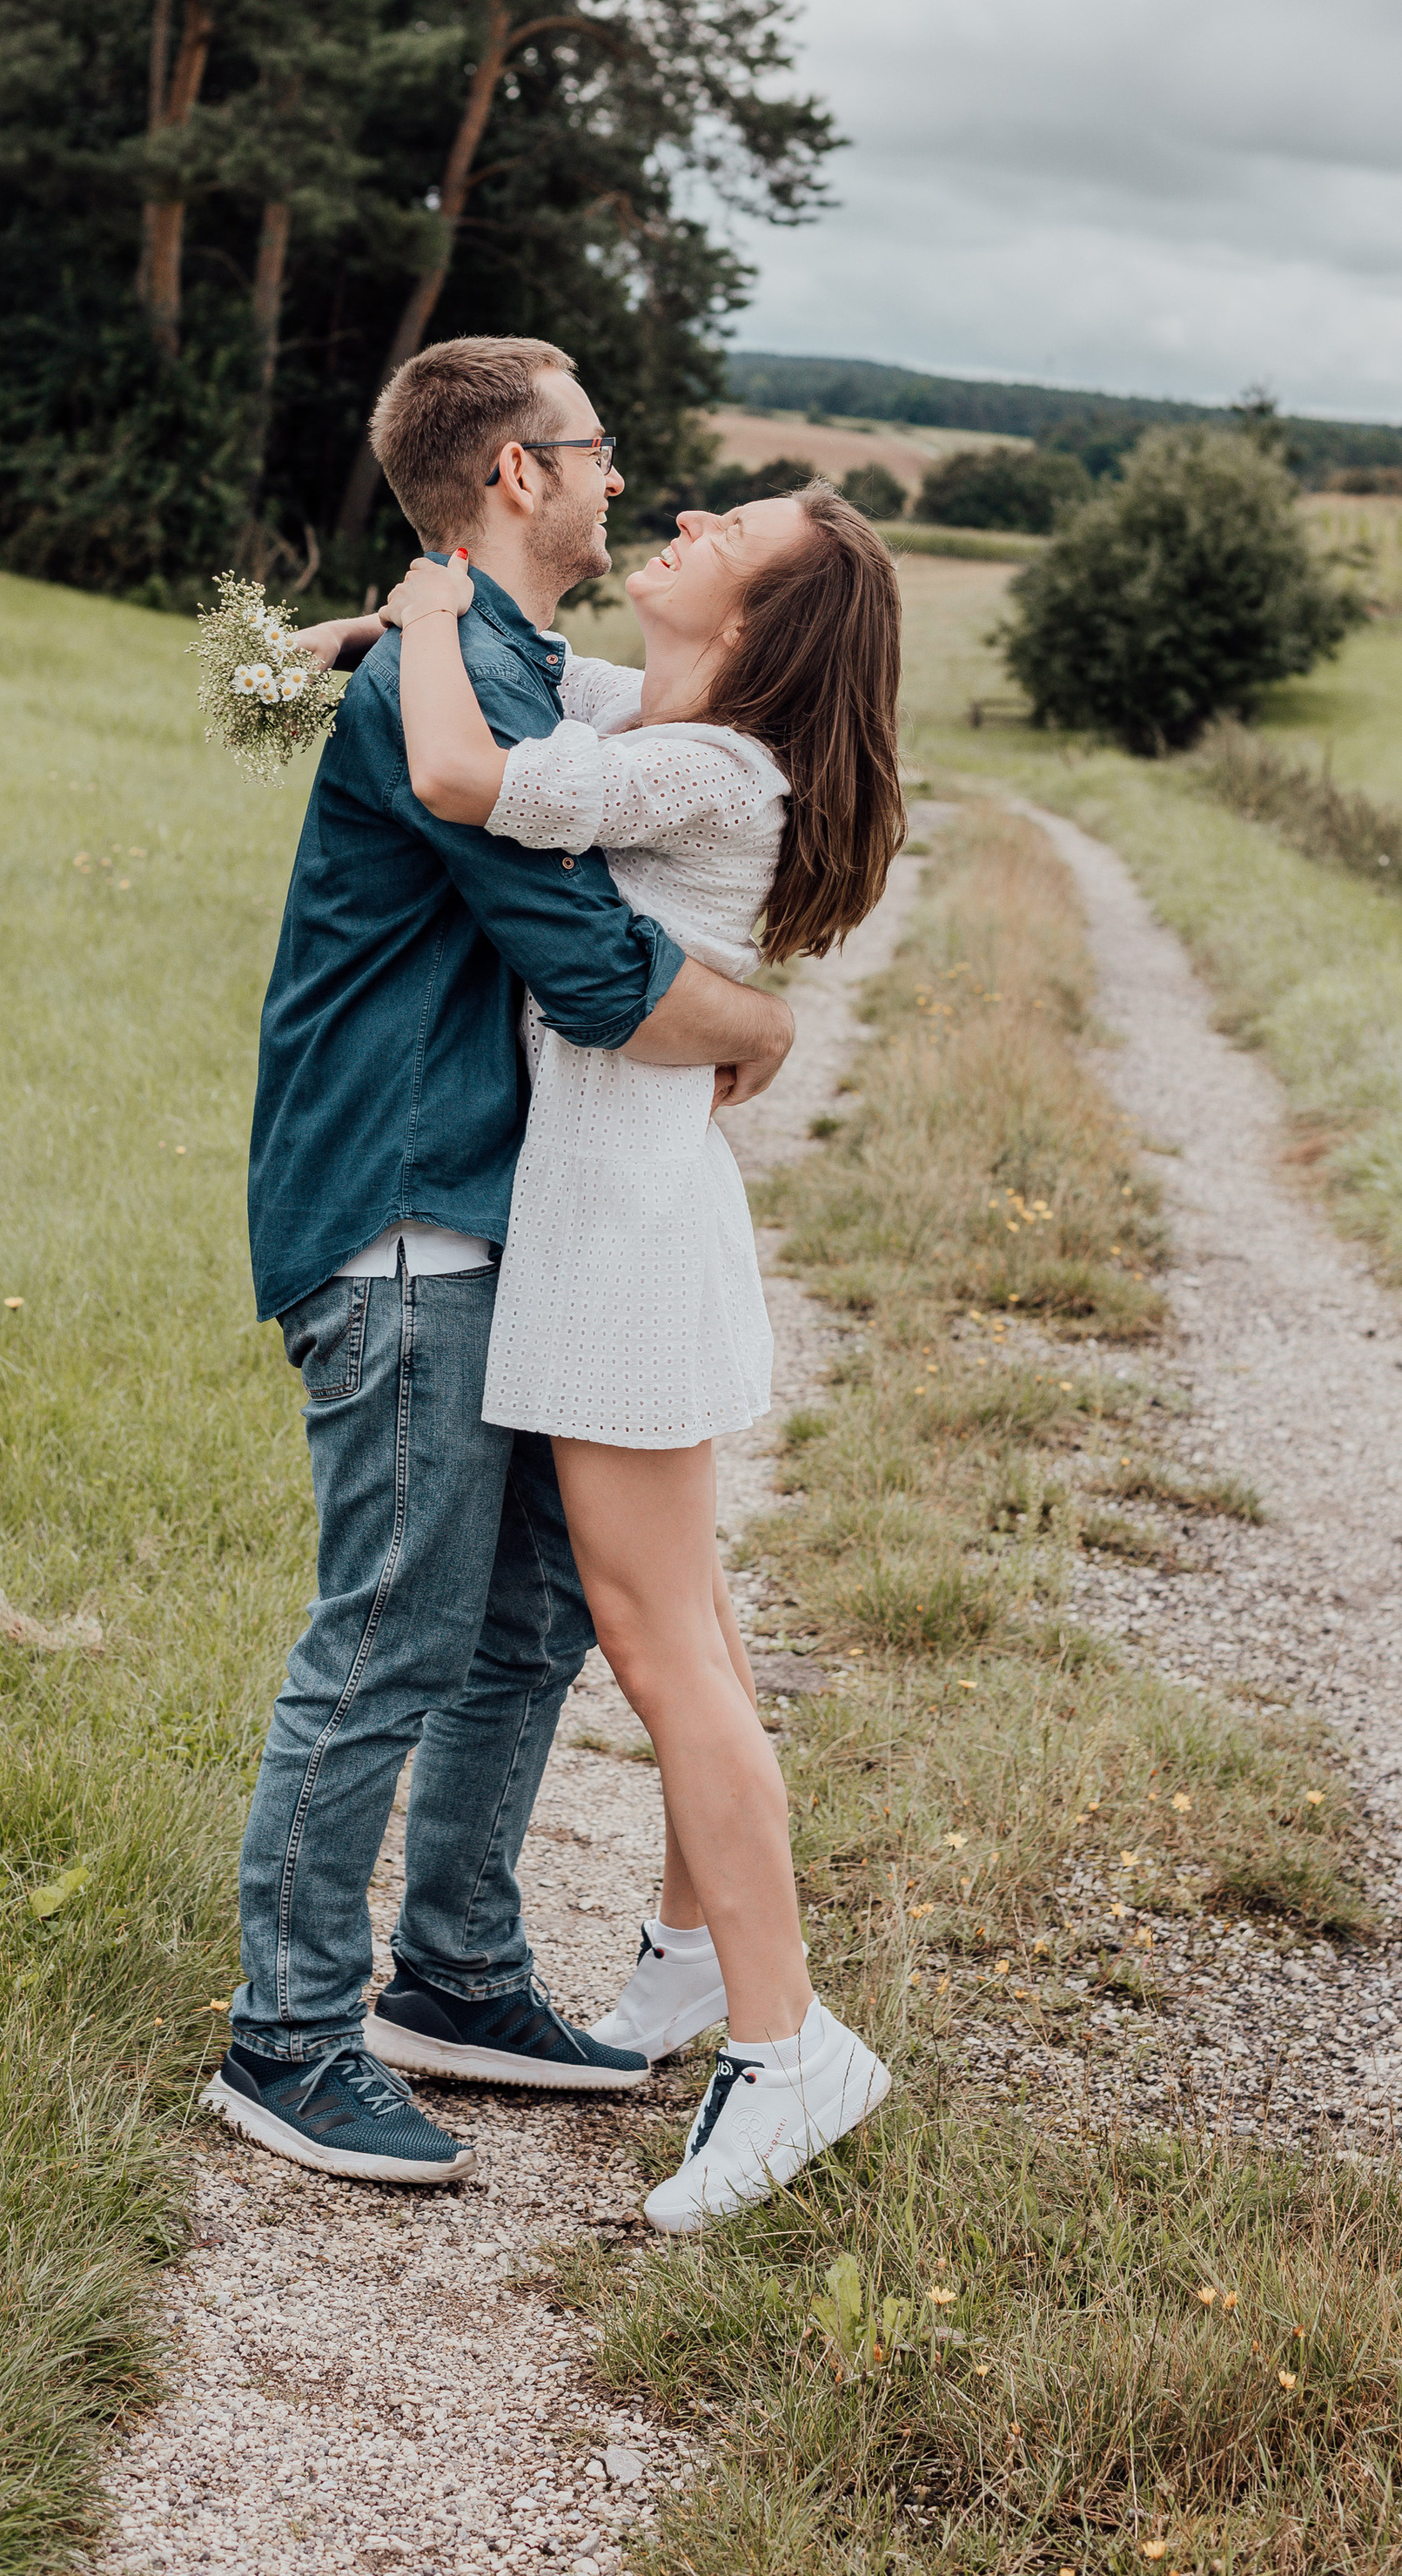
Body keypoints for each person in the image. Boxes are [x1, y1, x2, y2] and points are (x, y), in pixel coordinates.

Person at [207, 337, 795, 2189]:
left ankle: (454, 1976)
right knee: (389, 1630)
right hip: (400, 1207)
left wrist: (352, 628)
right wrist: (749, 1024)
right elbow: (591, 968)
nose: (626, 479)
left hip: (503, 1214)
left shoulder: (501, 658)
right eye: (597, 450)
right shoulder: (448, 684)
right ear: (516, 480)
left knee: (530, 1619)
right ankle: (283, 2037)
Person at [373, 477, 906, 2230]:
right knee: (694, 1632)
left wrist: (433, 606)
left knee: (659, 1641)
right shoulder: (661, 719)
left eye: (724, 533)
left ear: (762, 627)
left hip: (614, 1244)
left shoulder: (705, 767)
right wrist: (378, 635)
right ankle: (689, 1958)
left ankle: (785, 2046)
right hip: (629, 1215)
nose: (678, 515)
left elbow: (465, 773)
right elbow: (548, 682)